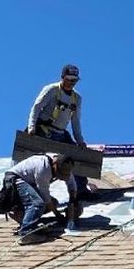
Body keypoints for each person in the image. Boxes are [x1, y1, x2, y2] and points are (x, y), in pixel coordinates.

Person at [28, 64, 88, 213]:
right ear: (63, 77)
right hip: (45, 130)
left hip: (61, 133)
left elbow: (75, 121)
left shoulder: (76, 98)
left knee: (75, 158)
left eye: (74, 80)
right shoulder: (52, 90)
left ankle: (80, 192)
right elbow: (36, 107)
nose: (71, 83)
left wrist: (79, 140)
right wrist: (31, 127)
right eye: (69, 79)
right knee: (44, 163)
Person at [4, 152, 72, 244]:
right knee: (37, 204)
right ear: (55, 165)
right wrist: (58, 215)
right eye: (58, 173)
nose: (58, 176)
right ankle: (26, 234)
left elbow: (72, 184)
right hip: (15, 179)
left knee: (53, 203)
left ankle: (21, 216)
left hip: (27, 182)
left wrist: (73, 200)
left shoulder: (64, 162)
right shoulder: (43, 168)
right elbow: (45, 197)